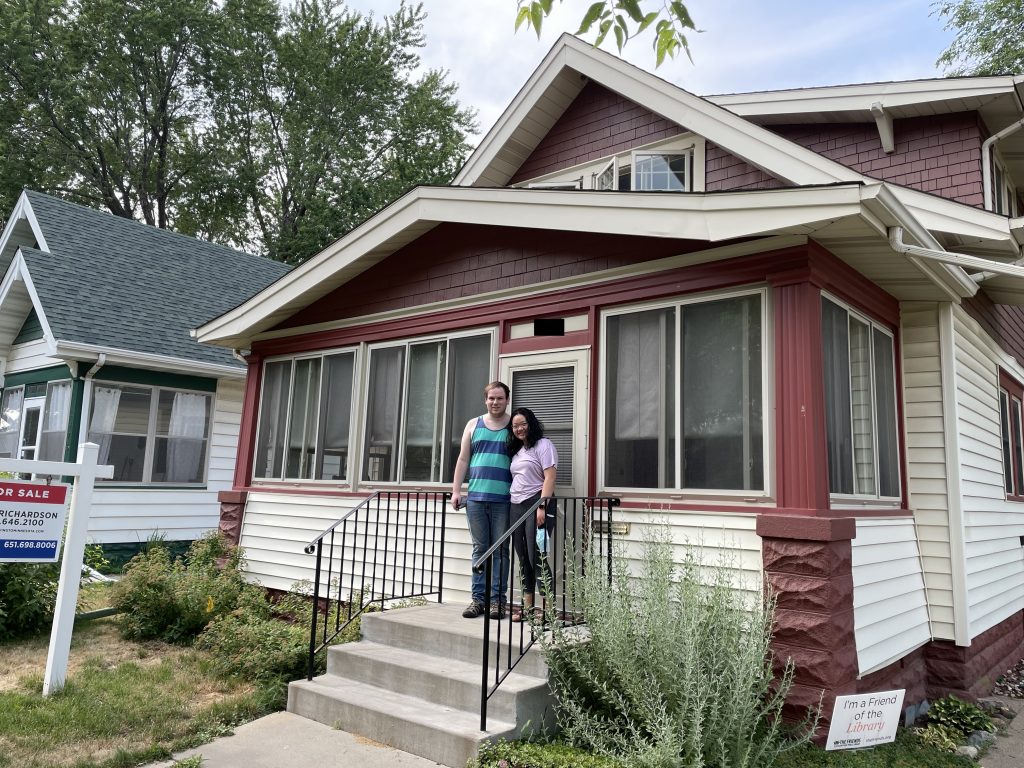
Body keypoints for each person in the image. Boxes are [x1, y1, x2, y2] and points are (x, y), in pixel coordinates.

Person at [451, 381, 512, 619]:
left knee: (500, 551)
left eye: (499, 398)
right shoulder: (473, 425)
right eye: (491, 398)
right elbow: (463, 460)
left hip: (505, 500)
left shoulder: (514, 426)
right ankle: (478, 600)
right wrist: (457, 491)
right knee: (480, 549)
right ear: (485, 400)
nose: (495, 402)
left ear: (507, 400)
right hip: (475, 499)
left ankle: (497, 601)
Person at [505, 407, 557, 622]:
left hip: (537, 503)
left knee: (537, 556)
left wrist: (542, 507)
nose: (519, 429)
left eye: (523, 424)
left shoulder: (543, 445)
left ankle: (547, 610)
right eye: (515, 426)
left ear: (531, 424)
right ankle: (527, 608)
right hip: (515, 505)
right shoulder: (517, 451)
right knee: (523, 557)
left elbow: (550, 478)